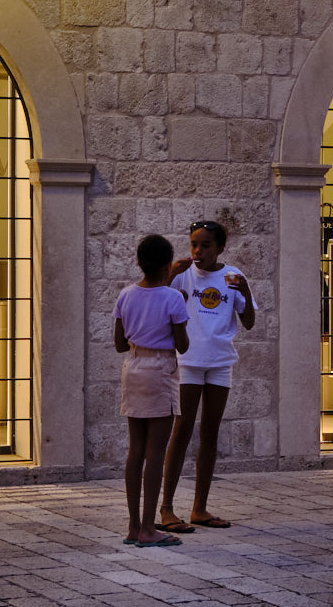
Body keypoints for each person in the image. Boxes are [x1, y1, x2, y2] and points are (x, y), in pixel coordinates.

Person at [158, 219, 255, 533]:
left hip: (220, 361)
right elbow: (155, 301)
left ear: (220, 248)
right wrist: (171, 274)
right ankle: (167, 509)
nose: (198, 251)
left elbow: (250, 321)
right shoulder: (182, 275)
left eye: (205, 245)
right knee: (182, 428)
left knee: (210, 432)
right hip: (187, 360)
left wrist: (246, 289)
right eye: (194, 244)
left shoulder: (233, 277)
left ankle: (199, 508)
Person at [113, 234, 191, 547]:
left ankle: (133, 526)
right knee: (155, 453)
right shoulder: (173, 298)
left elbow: (119, 343)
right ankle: (148, 527)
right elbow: (183, 345)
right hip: (160, 369)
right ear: (166, 265)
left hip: (133, 366)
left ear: (139, 262)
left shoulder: (126, 294)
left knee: (135, 451)